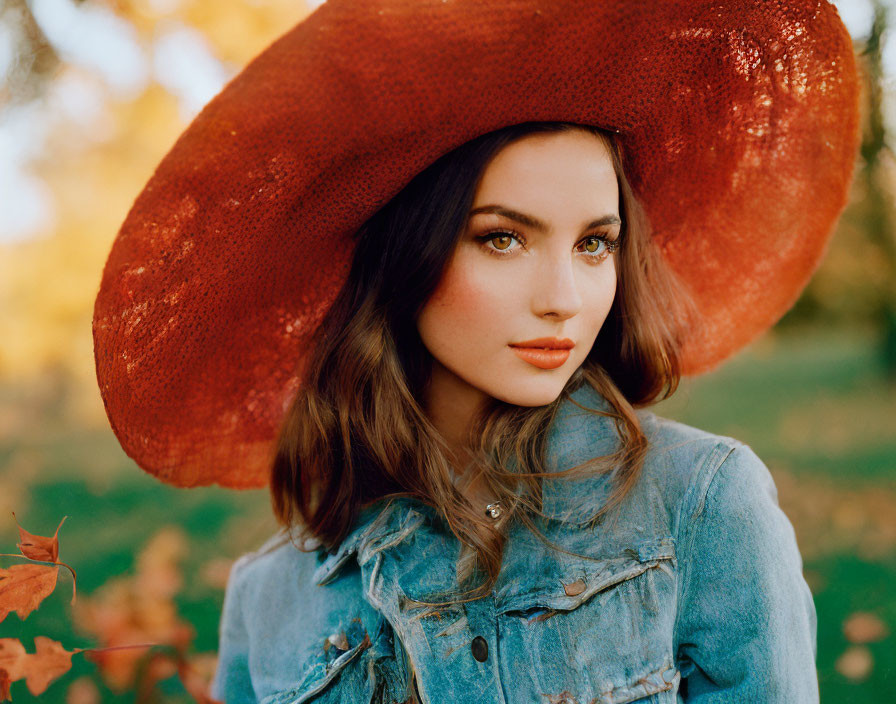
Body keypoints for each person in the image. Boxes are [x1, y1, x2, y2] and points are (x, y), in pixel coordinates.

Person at [92, 1, 861, 702]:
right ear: (403, 255)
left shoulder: (700, 505)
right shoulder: (271, 596)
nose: (563, 294)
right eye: (503, 237)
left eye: (595, 243)